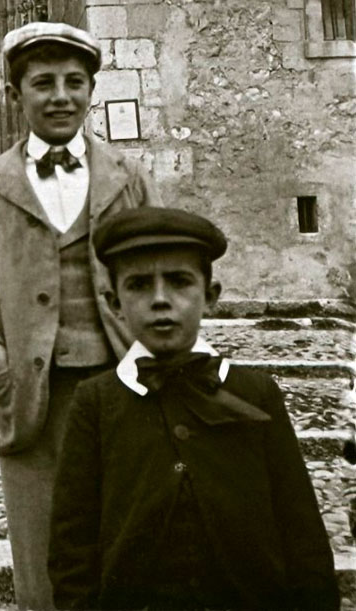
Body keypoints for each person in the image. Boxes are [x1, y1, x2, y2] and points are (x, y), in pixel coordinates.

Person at [0, 21, 161, 610]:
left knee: (125, 546)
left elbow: (160, 275)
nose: (60, 96)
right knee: (41, 565)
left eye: (74, 82)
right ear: (16, 96)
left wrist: (156, 359)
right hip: (33, 400)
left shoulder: (129, 178)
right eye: (43, 83)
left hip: (122, 389)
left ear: (91, 89)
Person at [48, 206, 340, 610]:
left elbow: (301, 529)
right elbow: (72, 543)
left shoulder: (256, 393)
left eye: (180, 281)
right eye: (139, 285)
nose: (161, 300)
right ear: (114, 303)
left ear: (210, 297)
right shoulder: (95, 402)